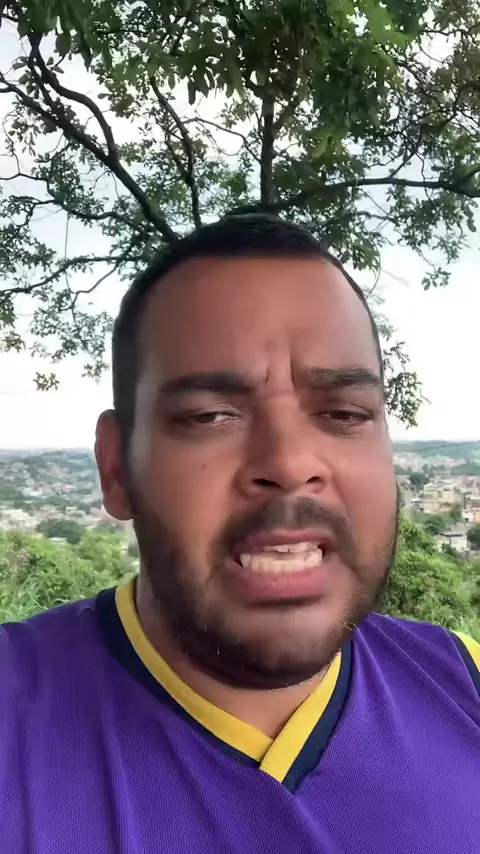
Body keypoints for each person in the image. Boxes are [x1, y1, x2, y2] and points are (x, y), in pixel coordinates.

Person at [1, 216, 479, 854]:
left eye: (345, 413)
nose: (289, 463)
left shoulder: (463, 679)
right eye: (209, 416)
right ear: (116, 469)